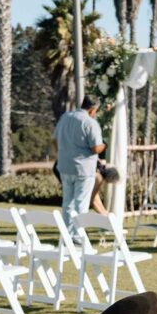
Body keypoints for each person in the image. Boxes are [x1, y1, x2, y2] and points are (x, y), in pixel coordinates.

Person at [53, 95, 106, 240]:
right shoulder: (90, 122)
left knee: (67, 203)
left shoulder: (65, 117)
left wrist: (63, 153)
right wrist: (104, 146)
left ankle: (66, 235)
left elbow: (54, 140)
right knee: (80, 204)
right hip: (83, 169)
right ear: (93, 109)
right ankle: (77, 236)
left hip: (64, 166)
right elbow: (96, 148)